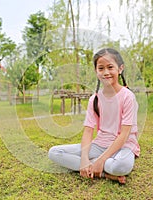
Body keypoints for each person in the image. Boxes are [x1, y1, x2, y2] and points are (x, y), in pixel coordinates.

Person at [48, 48, 140, 184]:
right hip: (99, 145)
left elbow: (125, 134)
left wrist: (102, 159)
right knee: (54, 153)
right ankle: (104, 174)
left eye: (110, 67)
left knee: (121, 166)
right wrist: (84, 158)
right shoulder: (94, 99)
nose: (106, 72)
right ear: (96, 71)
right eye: (101, 68)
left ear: (120, 69)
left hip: (124, 146)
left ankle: (97, 166)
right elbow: (88, 131)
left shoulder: (128, 97)